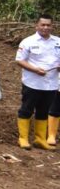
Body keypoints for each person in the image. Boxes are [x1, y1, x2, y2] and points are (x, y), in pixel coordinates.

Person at [15, 14, 60, 150]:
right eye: (43, 25)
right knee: (27, 109)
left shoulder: (57, 42)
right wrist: (35, 70)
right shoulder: (28, 42)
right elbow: (19, 60)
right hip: (32, 83)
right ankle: (23, 138)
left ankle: (40, 139)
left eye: (48, 25)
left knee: (44, 111)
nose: (45, 27)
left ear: (52, 26)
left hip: (51, 84)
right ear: (37, 25)